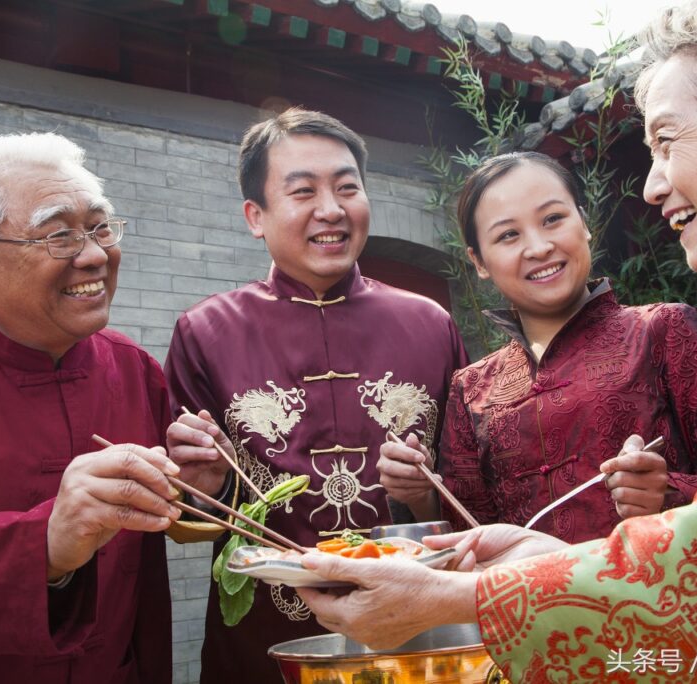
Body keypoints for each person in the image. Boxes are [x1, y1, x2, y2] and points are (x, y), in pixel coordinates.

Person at [297, 0, 697, 680]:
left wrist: (464, 595)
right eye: (505, 236)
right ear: (477, 260)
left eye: (668, 142)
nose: (650, 186)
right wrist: (532, 554)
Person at [0, 132, 222, 682]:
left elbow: (162, 528)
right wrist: (45, 543)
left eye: (100, 227)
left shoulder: (133, 370)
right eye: (58, 235)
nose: (94, 255)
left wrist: (198, 490)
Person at [164, 108, 469, 681]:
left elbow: (474, 492)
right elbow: (187, 518)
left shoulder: (431, 323)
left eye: (347, 187)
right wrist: (200, 490)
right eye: (303, 191)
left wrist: (426, 494)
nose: (331, 210)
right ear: (256, 215)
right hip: (263, 633)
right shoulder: (205, 331)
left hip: (414, 627)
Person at [378, 152, 697, 542]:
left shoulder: (663, 330)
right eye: (508, 235)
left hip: (655, 596)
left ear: (584, 223)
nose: (538, 247)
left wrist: (668, 492)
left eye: (553, 219)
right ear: (479, 261)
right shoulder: (472, 388)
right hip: (522, 600)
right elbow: (470, 531)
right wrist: (421, 495)